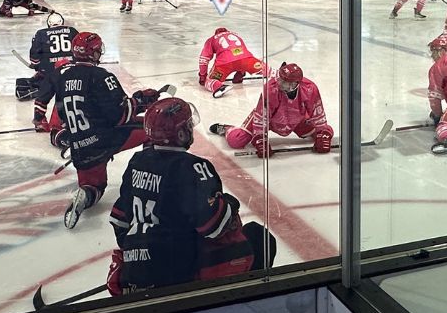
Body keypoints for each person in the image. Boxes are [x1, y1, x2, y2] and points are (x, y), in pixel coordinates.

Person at [106, 98, 256, 295]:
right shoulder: (192, 167)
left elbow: (119, 220)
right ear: (181, 133)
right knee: (257, 236)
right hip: (178, 276)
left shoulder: (137, 161)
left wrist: (142, 252)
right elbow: (214, 226)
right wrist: (230, 203)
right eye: (188, 125)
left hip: (134, 273)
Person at [55, 31, 160, 229]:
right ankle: (152, 179)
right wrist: (140, 100)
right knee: (153, 129)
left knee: (94, 187)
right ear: (93, 53)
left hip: (80, 148)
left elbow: (62, 114)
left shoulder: (63, 77)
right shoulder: (101, 76)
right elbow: (120, 115)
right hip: (104, 139)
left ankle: (84, 195)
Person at [211, 62, 333, 157]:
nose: (279, 82)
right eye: (280, 78)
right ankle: (227, 128)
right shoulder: (270, 88)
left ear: (295, 84)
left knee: (326, 133)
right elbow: (261, 116)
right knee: (236, 140)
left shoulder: (310, 88)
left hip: (298, 120)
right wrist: (260, 138)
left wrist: (323, 134)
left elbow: (318, 114)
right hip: (270, 120)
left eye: (284, 82)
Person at [21, 12, 78, 137]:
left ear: (49, 24)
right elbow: (79, 49)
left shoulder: (41, 33)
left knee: (44, 95)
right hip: (71, 70)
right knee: (75, 93)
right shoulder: (72, 31)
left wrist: (37, 66)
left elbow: (34, 56)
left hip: (51, 71)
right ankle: (74, 117)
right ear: (62, 22)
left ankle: (39, 120)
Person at [198, 26, 265, 97]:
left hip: (224, 64)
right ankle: (271, 74)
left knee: (209, 81)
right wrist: (239, 75)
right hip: (246, 60)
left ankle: (219, 87)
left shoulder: (211, 39)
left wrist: (203, 76)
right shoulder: (237, 36)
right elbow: (240, 56)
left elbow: (203, 59)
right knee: (265, 69)